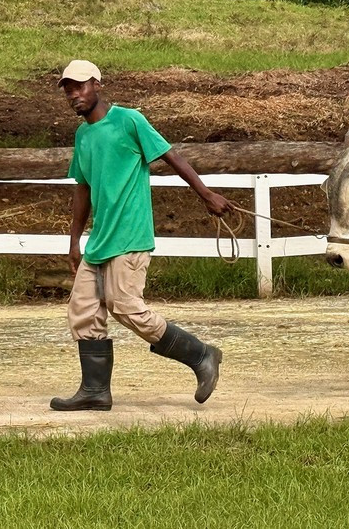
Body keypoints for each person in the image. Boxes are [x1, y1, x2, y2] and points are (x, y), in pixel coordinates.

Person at [51, 59, 233, 411]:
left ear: (97, 85)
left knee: (126, 306)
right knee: (83, 311)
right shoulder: (83, 134)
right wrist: (74, 242)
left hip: (131, 236)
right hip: (99, 242)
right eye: (68, 89)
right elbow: (83, 188)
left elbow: (172, 157)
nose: (74, 94)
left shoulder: (130, 120)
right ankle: (95, 391)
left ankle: (202, 356)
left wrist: (207, 195)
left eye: (80, 86)